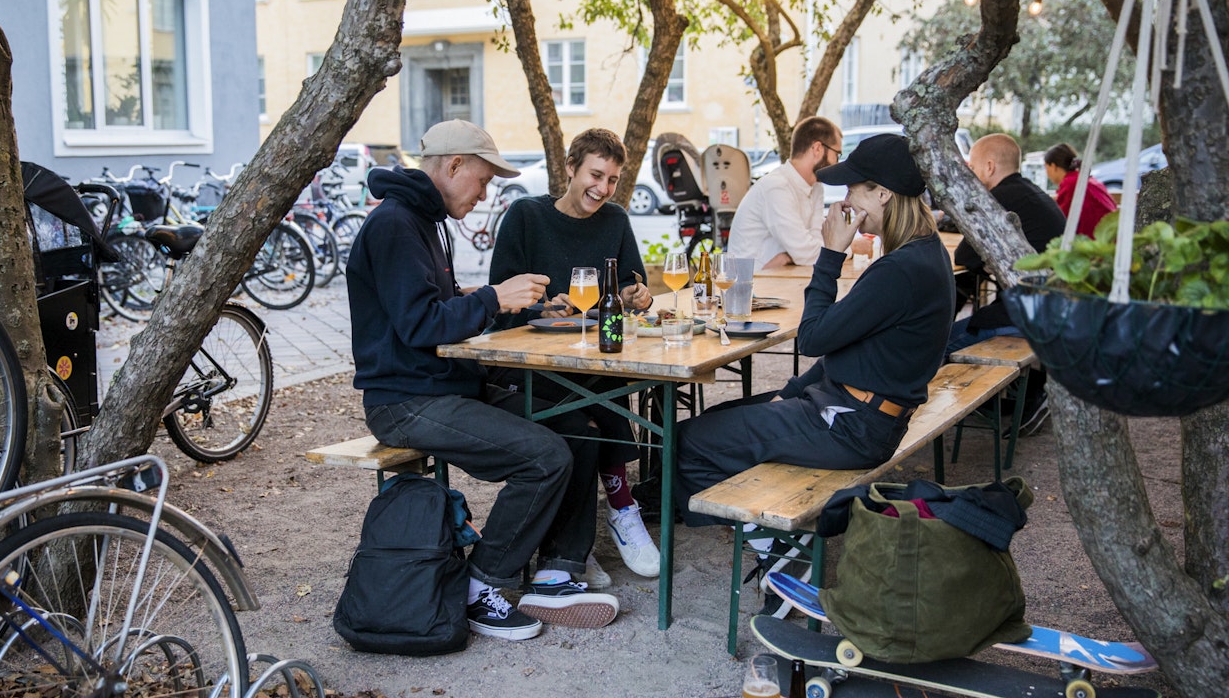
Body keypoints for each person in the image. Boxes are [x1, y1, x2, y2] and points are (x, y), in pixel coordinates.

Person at [346, 120, 618, 642]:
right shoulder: (396, 224)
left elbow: (435, 302)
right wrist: (494, 297)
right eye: (484, 180)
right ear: (454, 166)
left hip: (444, 386)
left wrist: (511, 302)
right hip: (405, 402)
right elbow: (420, 324)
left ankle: (556, 572)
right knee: (545, 456)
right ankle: (481, 585)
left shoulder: (424, 220)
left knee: (577, 429)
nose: (485, 194)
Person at [673, 135, 955, 614]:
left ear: (883, 194)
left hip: (853, 426)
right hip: (854, 410)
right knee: (718, 420)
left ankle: (780, 550)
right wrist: (789, 392)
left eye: (854, 190)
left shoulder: (902, 269)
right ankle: (768, 532)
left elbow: (813, 338)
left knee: (691, 441)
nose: (845, 201)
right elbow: (843, 347)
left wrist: (831, 254)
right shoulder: (920, 255)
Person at [488, 128, 658, 586]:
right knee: (588, 409)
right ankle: (595, 527)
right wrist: (541, 309)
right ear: (569, 168)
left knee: (606, 378)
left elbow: (631, 286)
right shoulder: (526, 216)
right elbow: (498, 302)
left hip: (589, 354)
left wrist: (636, 296)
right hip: (530, 361)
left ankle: (610, 517)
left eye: (613, 180)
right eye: (596, 175)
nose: (603, 189)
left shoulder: (615, 220)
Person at [951, 134, 1065, 436]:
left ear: (989, 167)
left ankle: (1030, 390)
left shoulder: (998, 198)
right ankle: (1018, 395)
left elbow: (964, 256)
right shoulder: (1032, 192)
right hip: (1058, 308)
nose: (971, 176)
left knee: (940, 342)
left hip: (1030, 316)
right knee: (968, 319)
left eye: (973, 168)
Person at [727, 117, 842, 270]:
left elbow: (817, 241)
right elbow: (807, 254)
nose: (837, 163)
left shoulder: (816, 188)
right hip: (751, 281)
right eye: (837, 154)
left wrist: (791, 257)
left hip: (781, 275)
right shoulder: (776, 187)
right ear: (817, 149)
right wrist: (848, 248)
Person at [1043, 142, 1118, 237]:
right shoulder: (1083, 179)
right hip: (1111, 236)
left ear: (1053, 166)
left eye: (1046, 167)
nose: (1046, 172)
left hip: (1096, 240)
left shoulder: (1070, 184)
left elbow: (1060, 221)